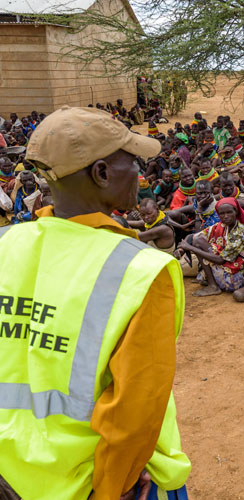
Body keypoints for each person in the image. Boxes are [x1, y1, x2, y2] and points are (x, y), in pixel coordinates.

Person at [0, 106, 190, 499]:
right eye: (131, 162)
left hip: (13, 475)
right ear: (101, 174)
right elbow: (134, 414)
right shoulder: (141, 271)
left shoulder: (7, 245)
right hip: (94, 481)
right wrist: (110, 489)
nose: (141, 171)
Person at [178, 197, 244, 296]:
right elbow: (194, 237)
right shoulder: (221, 226)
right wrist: (181, 249)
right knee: (198, 241)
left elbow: (221, 260)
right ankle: (212, 282)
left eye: (229, 212)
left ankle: (213, 285)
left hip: (233, 278)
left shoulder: (240, 231)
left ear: (235, 211)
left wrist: (190, 248)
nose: (226, 216)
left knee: (198, 244)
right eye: (222, 213)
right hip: (224, 269)